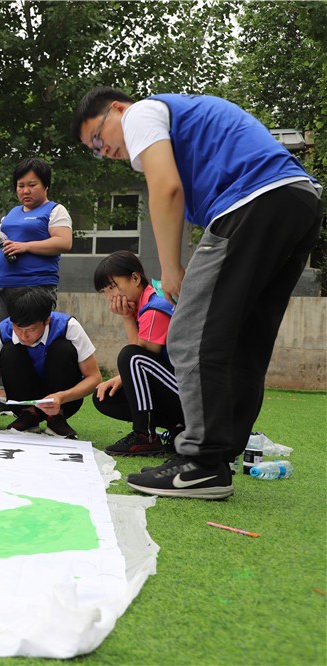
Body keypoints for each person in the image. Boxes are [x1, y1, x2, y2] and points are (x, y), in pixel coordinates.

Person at [72, 86, 322, 499]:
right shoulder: (183, 127)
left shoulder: (141, 114)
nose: (104, 151)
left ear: (117, 109)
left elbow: (165, 189)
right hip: (297, 200)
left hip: (252, 200)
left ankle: (202, 461)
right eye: (94, 151)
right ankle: (217, 459)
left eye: (98, 138)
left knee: (189, 332)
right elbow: (180, 197)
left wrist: (171, 269)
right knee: (244, 340)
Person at [0, 289, 101, 440]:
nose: (23, 335)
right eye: (17, 328)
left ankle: (56, 419)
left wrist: (62, 397)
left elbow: (94, 378)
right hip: (21, 399)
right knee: (9, 351)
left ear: (47, 320)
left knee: (62, 349)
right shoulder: (1, 332)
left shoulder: (69, 327)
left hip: (63, 401)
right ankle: (28, 415)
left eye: (30, 330)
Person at [92, 251, 183, 456]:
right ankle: (178, 428)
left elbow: (140, 358)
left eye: (113, 286)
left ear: (135, 278)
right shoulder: (146, 304)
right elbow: (145, 366)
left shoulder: (155, 309)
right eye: (104, 291)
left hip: (193, 395)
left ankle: (145, 436)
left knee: (130, 356)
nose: (110, 296)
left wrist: (125, 318)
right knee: (104, 397)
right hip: (176, 386)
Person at [0, 157, 74, 327]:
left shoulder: (55, 210)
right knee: (5, 338)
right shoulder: (12, 213)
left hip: (35, 287)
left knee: (30, 338)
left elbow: (64, 242)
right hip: (4, 286)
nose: (26, 191)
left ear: (46, 185)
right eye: (21, 186)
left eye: (32, 185)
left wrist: (25, 246)